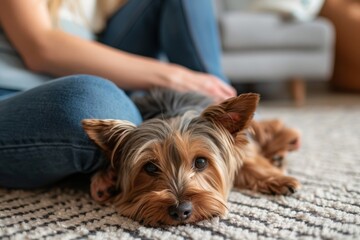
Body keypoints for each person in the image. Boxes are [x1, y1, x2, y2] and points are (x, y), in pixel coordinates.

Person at [0, 0, 236, 188]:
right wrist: (171, 76)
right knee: (92, 102)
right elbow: (41, 48)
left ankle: (227, 138)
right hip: (14, 95)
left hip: (86, 81)